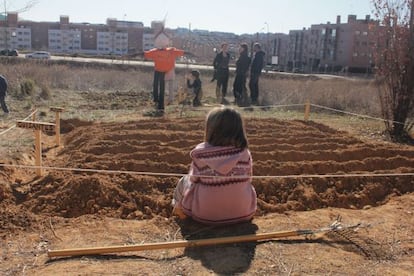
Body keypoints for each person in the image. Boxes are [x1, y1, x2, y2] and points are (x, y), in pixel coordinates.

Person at [172, 107, 257, 225]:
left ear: (210, 129)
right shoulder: (244, 153)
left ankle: (179, 211)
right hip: (244, 213)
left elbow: (193, 181)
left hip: (205, 216)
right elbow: (249, 178)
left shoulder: (200, 154)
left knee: (184, 180)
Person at [144, 29, 184, 115]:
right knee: (158, 86)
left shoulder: (168, 51)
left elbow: (144, 54)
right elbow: (182, 53)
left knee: (159, 86)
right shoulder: (165, 51)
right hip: (161, 70)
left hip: (161, 70)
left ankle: (160, 103)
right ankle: (159, 103)